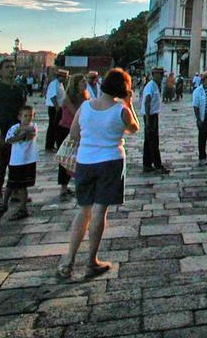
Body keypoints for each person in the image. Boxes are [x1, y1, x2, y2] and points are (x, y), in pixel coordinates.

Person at [56, 68, 140, 279]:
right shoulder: (121, 110)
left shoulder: (85, 107)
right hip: (110, 162)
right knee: (99, 212)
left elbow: (74, 134)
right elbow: (134, 129)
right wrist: (129, 104)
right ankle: (91, 261)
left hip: (85, 162)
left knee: (83, 211)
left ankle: (68, 261)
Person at [0, 58, 27, 209]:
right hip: (2, 132)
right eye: (7, 67)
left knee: (16, 164)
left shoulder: (19, 89)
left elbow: (23, 110)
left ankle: (16, 192)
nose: (11, 69)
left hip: (16, 132)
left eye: (13, 67)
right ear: (1, 71)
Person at [0, 104, 39, 220]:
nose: (28, 118)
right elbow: (9, 140)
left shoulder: (34, 126)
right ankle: (4, 205)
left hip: (28, 160)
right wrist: (20, 135)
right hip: (16, 160)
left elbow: (30, 133)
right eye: (25, 116)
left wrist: (20, 134)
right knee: (11, 184)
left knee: (22, 186)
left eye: (30, 115)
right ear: (19, 117)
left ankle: (22, 208)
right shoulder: (14, 127)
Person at [57, 75, 88, 200]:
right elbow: (76, 113)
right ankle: (63, 188)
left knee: (78, 159)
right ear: (76, 84)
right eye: (82, 81)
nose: (85, 83)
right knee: (66, 160)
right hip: (66, 129)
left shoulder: (85, 96)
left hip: (79, 130)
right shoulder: (69, 97)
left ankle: (77, 184)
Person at [142, 67, 169, 174]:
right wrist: (148, 120)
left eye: (162, 74)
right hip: (150, 116)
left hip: (153, 115)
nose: (161, 76)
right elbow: (147, 102)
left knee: (148, 141)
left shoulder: (156, 86)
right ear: (154, 74)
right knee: (153, 141)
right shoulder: (151, 86)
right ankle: (158, 165)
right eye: (159, 74)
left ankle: (147, 164)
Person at [45, 69, 67, 151]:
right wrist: (57, 107)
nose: (65, 79)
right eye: (64, 77)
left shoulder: (60, 84)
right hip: (54, 108)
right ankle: (49, 146)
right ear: (60, 76)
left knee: (56, 127)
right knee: (52, 127)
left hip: (58, 107)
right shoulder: (54, 84)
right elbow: (52, 96)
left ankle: (52, 145)